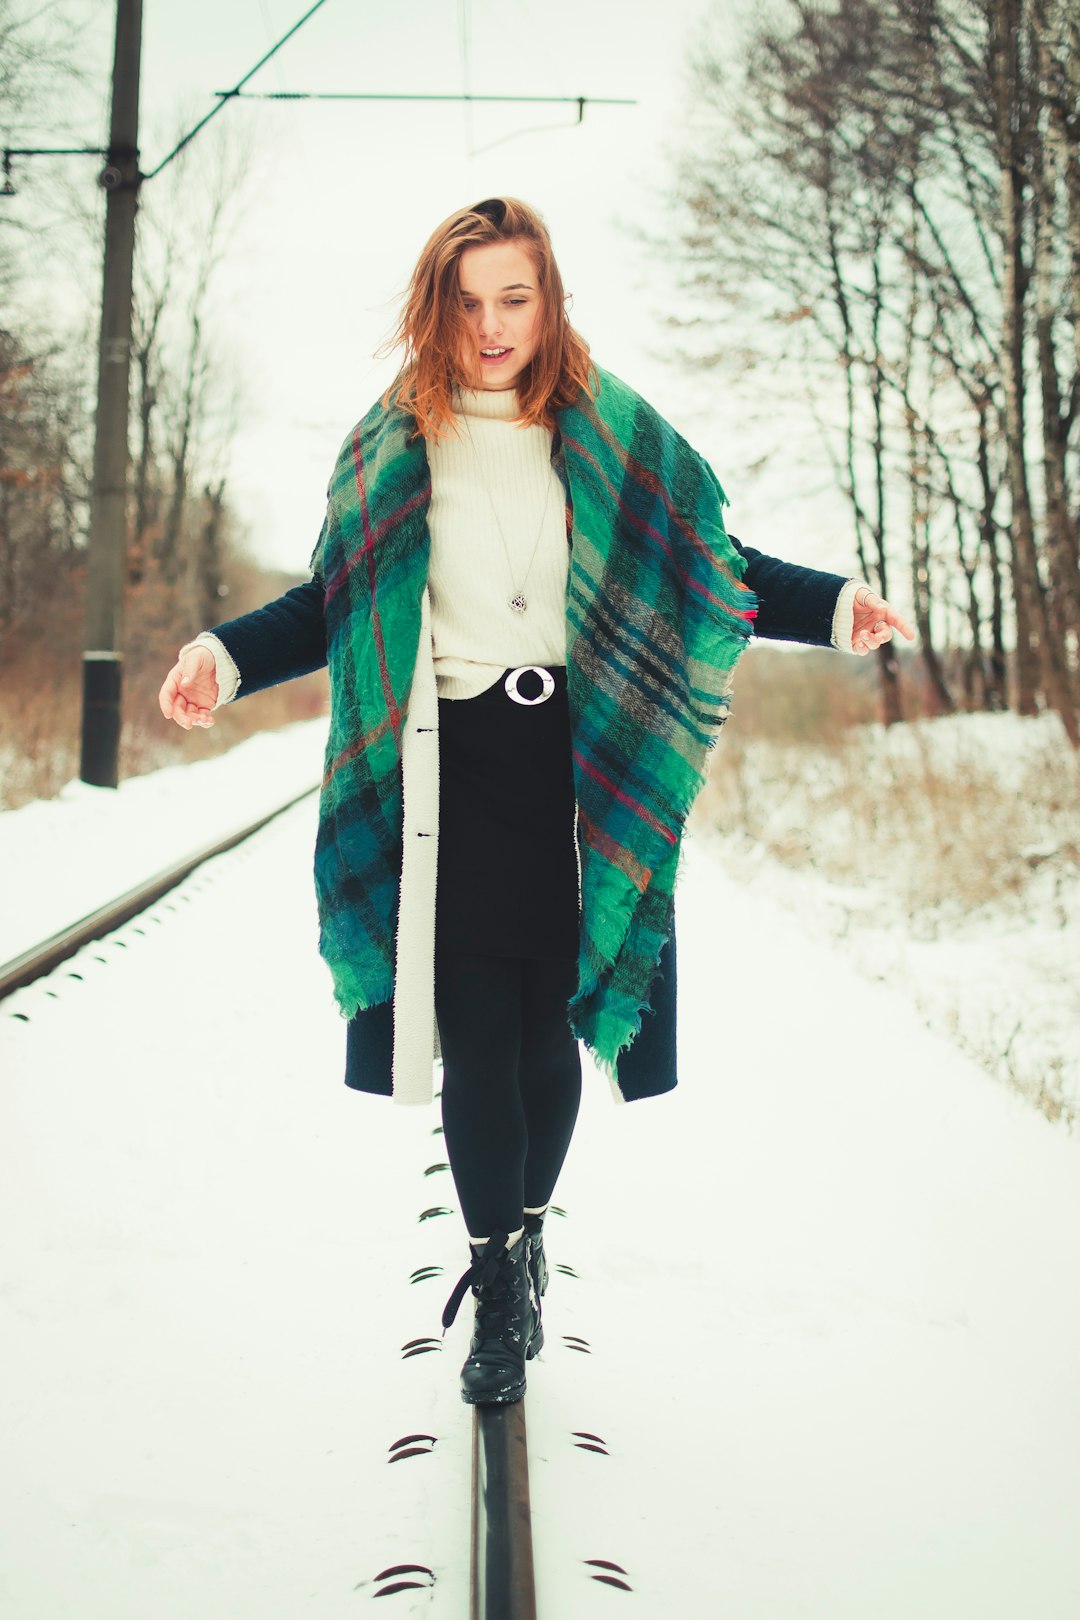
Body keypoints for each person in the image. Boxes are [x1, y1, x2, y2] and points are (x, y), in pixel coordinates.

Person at [159, 196, 914, 1407]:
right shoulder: (389, 445)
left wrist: (835, 607)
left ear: (548, 302)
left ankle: (523, 1232)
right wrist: (220, 654)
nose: (492, 324)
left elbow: (713, 569)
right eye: (468, 302)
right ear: (436, 311)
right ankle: (497, 1277)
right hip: (445, 772)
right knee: (476, 1038)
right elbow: (328, 603)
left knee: (552, 1028)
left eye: (514, 298)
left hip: (574, 770)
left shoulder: (619, 435)